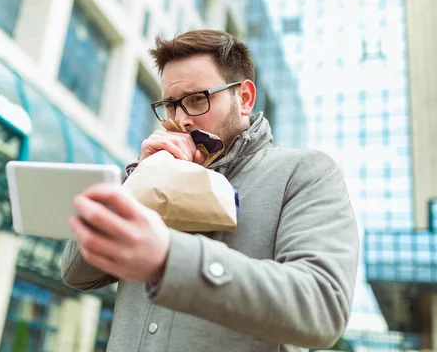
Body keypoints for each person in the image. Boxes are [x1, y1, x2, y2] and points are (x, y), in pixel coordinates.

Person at [60, 29, 359, 352]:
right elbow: (76, 274)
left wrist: (169, 259)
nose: (181, 119)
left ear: (244, 98)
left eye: (197, 100)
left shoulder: (304, 173)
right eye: (171, 105)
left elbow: (323, 307)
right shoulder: (147, 177)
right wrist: (136, 181)